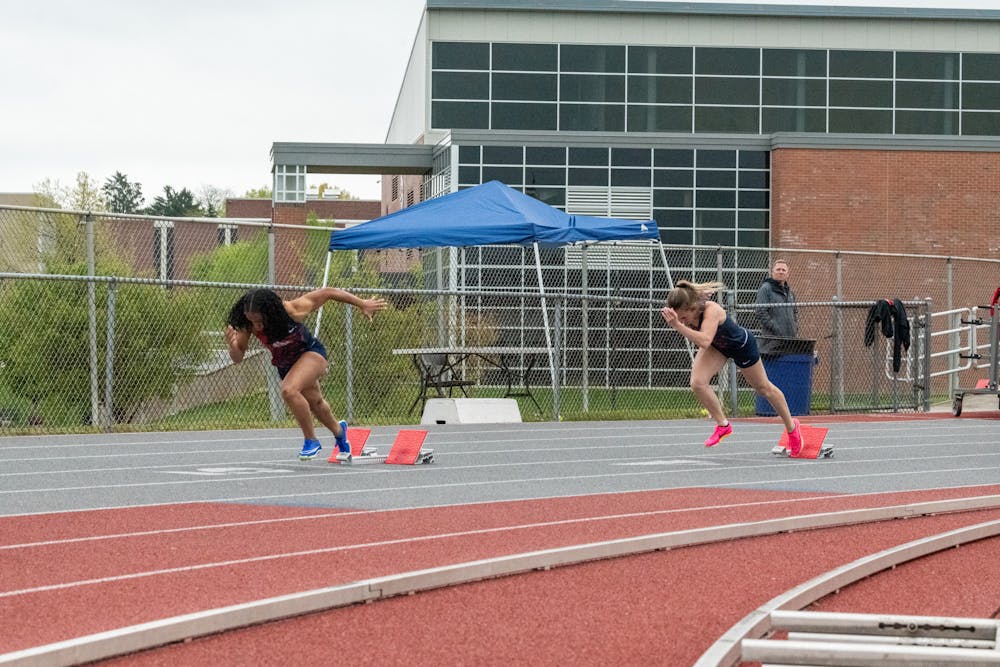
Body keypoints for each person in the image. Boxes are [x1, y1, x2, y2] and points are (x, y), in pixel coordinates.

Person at [224, 287, 387, 461]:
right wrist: (232, 346)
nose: (257, 326)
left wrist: (362, 303)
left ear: (271, 312)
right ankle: (340, 433)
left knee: (289, 390)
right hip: (286, 365)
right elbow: (238, 358)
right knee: (316, 403)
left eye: (259, 321)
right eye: (252, 321)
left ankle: (311, 440)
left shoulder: (292, 310)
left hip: (311, 354)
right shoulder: (247, 325)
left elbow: (328, 292)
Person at [660, 280, 804, 455]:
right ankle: (723, 425)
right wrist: (680, 321)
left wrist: (677, 325)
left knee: (763, 388)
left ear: (692, 308)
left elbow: (704, 341)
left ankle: (792, 428)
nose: (682, 321)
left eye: (683, 318)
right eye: (679, 318)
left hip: (741, 346)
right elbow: (705, 340)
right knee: (697, 383)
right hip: (718, 347)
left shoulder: (710, 310)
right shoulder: (689, 309)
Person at [755, 259, 798, 357]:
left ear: (788, 274)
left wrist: (795, 327)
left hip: (790, 342)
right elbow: (760, 311)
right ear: (772, 272)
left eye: (783, 270)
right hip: (772, 344)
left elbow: (794, 312)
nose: (781, 272)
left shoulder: (790, 293)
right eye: (778, 269)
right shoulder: (766, 289)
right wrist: (776, 329)